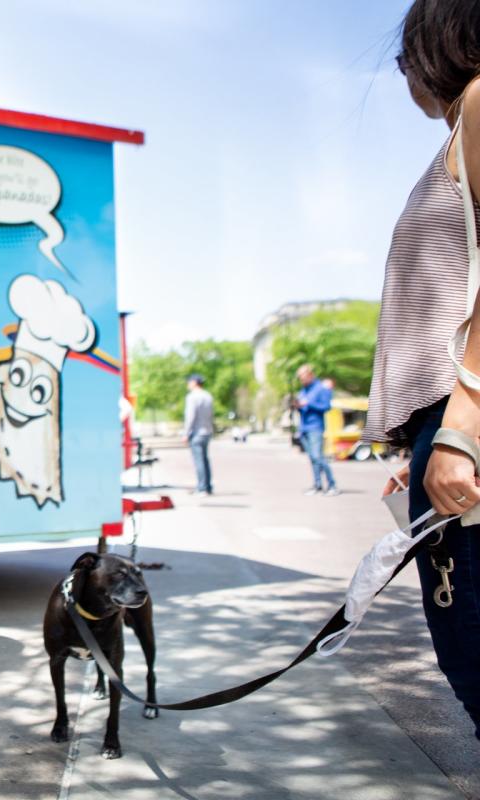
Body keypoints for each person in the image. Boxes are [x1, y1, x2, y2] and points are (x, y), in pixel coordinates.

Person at [367, 0, 480, 740]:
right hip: (446, 421)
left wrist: (462, 425)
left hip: (464, 419)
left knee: (475, 661)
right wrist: (425, 434)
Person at [296, 364, 340, 496]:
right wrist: (298, 406)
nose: (301, 380)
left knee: (318, 456)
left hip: (315, 427)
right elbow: (302, 407)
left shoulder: (321, 388)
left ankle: (332, 485)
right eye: (299, 378)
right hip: (304, 427)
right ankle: (318, 485)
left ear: (310, 375)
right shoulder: (303, 390)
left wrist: (309, 404)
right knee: (312, 458)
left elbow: (326, 406)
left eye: (302, 377)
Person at [184, 374, 214, 495]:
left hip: (196, 432)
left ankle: (202, 488)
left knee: (199, 461)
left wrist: (186, 432)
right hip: (207, 431)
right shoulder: (207, 396)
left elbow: (190, 416)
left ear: (194, 383)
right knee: (205, 459)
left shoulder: (192, 397)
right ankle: (207, 486)